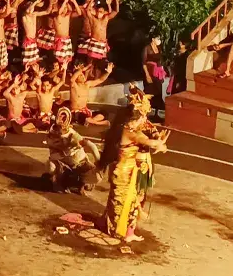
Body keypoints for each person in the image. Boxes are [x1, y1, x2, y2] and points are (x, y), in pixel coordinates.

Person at [101, 88, 170, 244]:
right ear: (135, 118)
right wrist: (161, 145)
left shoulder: (123, 128)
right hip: (126, 171)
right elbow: (148, 141)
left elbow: (150, 137)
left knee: (121, 199)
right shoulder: (132, 132)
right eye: (142, 117)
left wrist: (158, 140)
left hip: (123, 169)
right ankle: (122, 232)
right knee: (128, 201)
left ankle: (117, 229)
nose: (144, 119)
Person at [46, 108, 101, 194]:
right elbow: (52, 154)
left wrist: (98, 162)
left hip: (80, 164)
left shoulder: (73, 135)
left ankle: (82, 182)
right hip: (64, 165)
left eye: (64, 117)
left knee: (97, 176)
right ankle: (61, 182)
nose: (62, 119)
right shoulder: (51, 134)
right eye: (60, 116)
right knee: (51, 167)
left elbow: (91, 145)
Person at [78, 0, 118, 66]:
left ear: (104, 13)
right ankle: (87, 74)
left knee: (99, 63)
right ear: (96, 12)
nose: (100, 13)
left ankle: (96, 75)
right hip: (93, 41)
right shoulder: (93, 19)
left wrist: (116, 1)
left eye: (101, 12)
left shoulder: (106, 18)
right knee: (90, 61)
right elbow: (87, 10)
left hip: (102, 42)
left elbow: (115, 12)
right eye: (98, 11)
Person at [19, 0, 52, 69]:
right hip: (28, 41)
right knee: (27, 62)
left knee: (34, 61)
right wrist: (37, 0)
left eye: (32, 4)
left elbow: (47, 12)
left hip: (33, 40)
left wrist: (50, 1)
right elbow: (28, 10)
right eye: (30, 4)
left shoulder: (34, 14)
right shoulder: (24, 15)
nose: (32, 6)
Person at [50, 0, 81, 68]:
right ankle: (56, 73)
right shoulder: (56, 14)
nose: (65, 9)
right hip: (59, 39)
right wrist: (65, 1)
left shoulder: (68, 15)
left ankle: (63, 73)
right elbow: (59, 12)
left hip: (67, 39)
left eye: (66, 8)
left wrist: (74, 1)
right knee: (58, 59)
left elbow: (79, 13)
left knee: (66, 59)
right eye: (64, 8)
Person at [142, 35, 166, 103]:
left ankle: (157, 111)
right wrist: (147, 75)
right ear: (153, 39)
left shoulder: (159, 48)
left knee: (158, 92)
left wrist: (162, 74)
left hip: (157, 74)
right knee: (149, 92)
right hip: (149, 72)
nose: (159, 40)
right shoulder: (147, 48)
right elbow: (144, 63)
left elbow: (161, 61)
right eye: (157, 39)